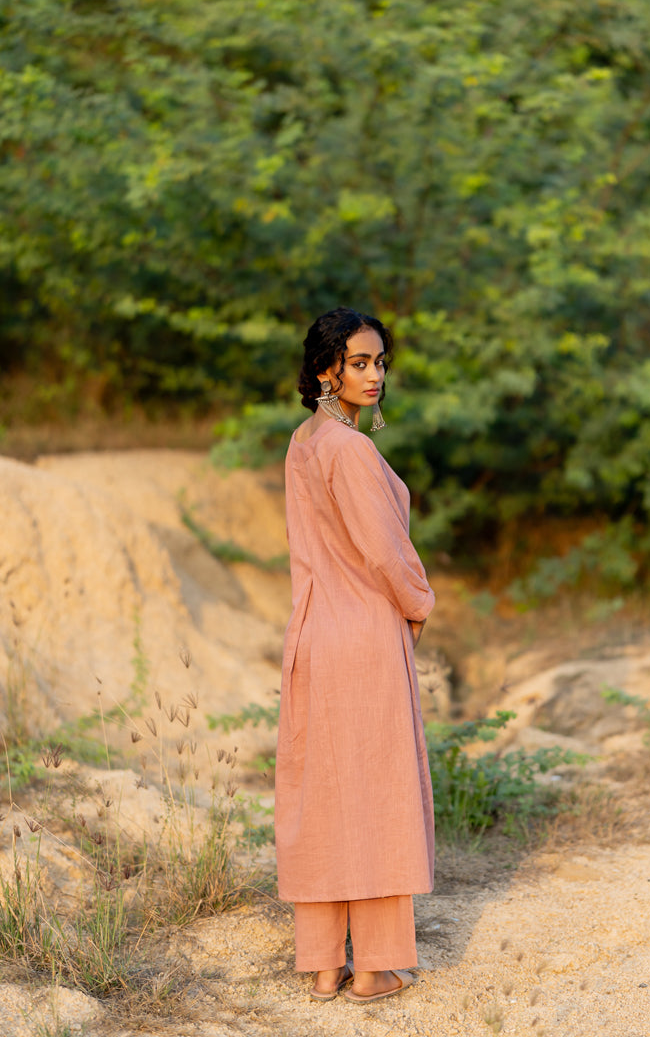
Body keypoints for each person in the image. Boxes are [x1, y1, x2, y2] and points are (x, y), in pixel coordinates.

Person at [274, 307, 435, 1004]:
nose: (374, 376)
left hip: (313, 634)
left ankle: (321, 964)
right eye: (359, 363)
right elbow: (382, 550)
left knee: (326, 795)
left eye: (379, 363)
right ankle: (374, 966)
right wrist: (418, 602)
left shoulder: (303, 441)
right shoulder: (351, 449)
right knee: (378, 797)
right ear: (325, 371)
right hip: (363, 635)